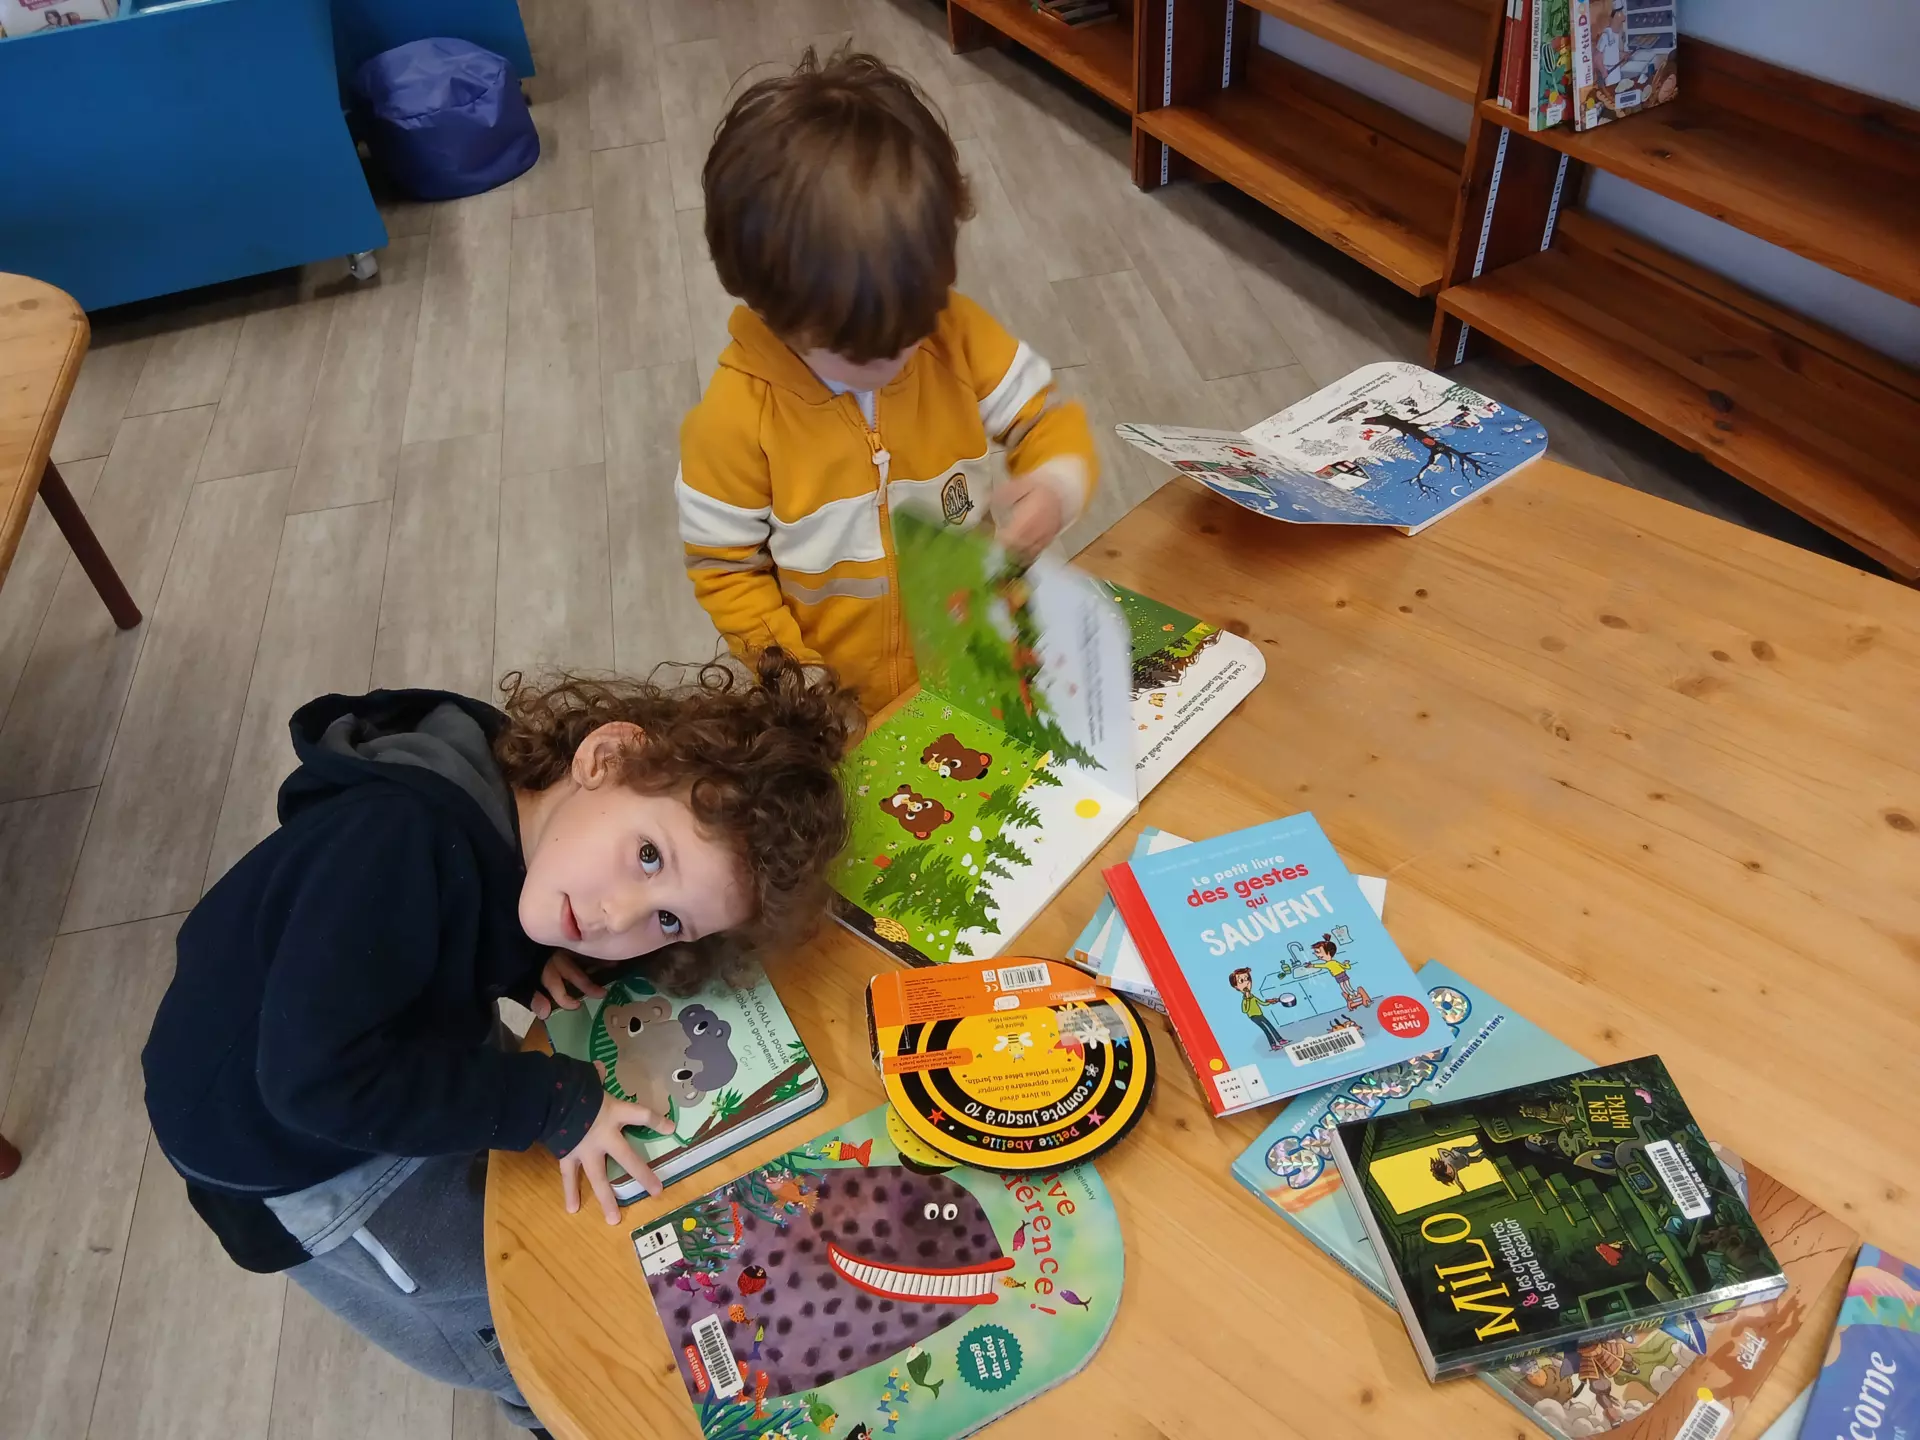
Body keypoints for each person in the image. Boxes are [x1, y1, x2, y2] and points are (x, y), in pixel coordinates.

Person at [141, 650, 861, 1430]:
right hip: (283, 1138)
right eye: (649, 855)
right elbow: (317, 1081)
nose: (621, 915)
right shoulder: (398, 838)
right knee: (485, 1298)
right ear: (605, 756)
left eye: (667, 919)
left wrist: (524, 963)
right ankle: (537, 1400)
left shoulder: (500, 807)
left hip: (348, 1038)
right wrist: (552, 1103)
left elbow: (428, 930)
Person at [677, 47, 1099, 714]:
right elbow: (728, 571)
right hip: (837, 704)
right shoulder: (736, 420)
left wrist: (1052, 485)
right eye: (863, 349)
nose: (905, 354)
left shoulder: (954, 334)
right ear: (769, 306)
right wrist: (799, 685)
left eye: (918, 319)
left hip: (972, 654)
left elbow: (1047, 420)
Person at [1229, 966, 1284, 1050]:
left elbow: (1262, 1003)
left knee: (1270, 1026)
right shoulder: (1245, 1000)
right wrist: (1247, 999)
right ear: (1236, 987)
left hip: (1260, 1014)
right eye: (1241, 981)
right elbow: (1245, 1010)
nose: (1246, 983)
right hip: (1253, 1016)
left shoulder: (1253, 996)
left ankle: (1280, 1040)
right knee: (1265, 1029)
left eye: (1247, 979)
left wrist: (1271, 1001)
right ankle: (1273, 1045)